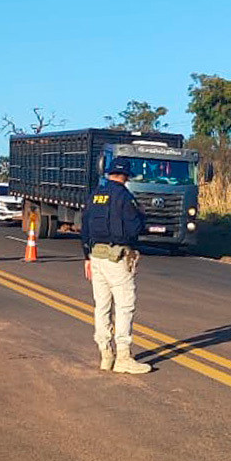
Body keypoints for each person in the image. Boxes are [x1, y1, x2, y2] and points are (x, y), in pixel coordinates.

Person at [80, 156, 150, 374]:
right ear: (126, 176)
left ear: (109, 173)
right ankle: (123, 357)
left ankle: (105, 354)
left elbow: (85, 227)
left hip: (96, 257)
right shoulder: (125, 198)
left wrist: (86, 257)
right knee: (124, 306)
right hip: (117, 258)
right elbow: (135, 228)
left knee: (101, 307)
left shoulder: (95, 196)